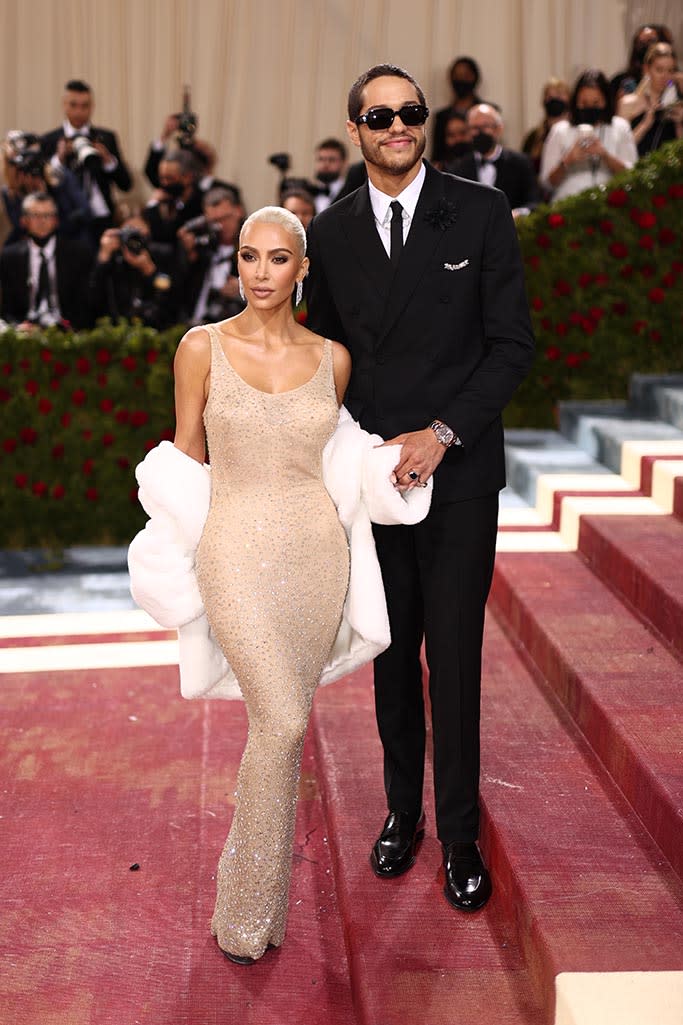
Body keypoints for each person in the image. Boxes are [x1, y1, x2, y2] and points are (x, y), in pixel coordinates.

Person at [143, 204, 431, 965]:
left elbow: (342, 460)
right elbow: (184, 461)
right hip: (233, 549)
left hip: (313, 557)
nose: (261, 272)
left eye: (277, 259)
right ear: (235, 264)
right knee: (280, 721)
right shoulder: (200, 347)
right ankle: (241, 907)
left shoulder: (332, 359)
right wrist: (167, 560)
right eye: (248, 256)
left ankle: (258, 911)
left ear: (302, 270)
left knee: (283, 724)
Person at [306, 64, 534, 913]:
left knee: (456, 658)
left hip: (459, 470)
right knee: (391, 655)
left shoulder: (478, 210)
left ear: (423, 122)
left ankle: (461, 834)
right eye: (379, 114)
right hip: (374, 479)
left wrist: (439, 434)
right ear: (356, 128)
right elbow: (322, 360)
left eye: (410, 112)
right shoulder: (326, 236)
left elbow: (511, 344)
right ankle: (403, 814)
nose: (397, 125)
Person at [40, 79, 132, 244]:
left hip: (101, 217)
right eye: (73, 105)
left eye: (85, 106)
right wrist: (58, 160)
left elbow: (126, 184)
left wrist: (108, 160)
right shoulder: (49, 140)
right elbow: (45, 188)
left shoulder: (106, 138)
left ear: (92, 107)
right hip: (65, 218)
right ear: (64, 105)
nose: (79, 111)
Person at [540, 69, 638, 202]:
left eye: (596, 103)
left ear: (606, 102)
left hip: (611, 203)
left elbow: (633, 174)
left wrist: (605, 156)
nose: (590, 107)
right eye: (584, 103)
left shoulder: (620, 127)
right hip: (568, 202)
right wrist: (567, 161)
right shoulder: (560, 130)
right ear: (576, 102)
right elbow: (547, 183)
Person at [0, 191, 92, 329]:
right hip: (25, 332)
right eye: (35, 215)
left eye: (47, 216)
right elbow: (7, 309)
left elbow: (86, 305)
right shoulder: (9, 257)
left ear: (56, 220)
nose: (41, 221)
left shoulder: (78, 253)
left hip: (68, 331)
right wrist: (18, 327)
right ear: (24, 221)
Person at [446, 103, 539, 216]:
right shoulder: (457, 169)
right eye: (475, 128)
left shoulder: (520, 163)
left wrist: (518, 213)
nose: (479, 133)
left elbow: (534, 202)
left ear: (499, 129)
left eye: (485, 127)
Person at [89, 212, 179, 327]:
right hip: (117, 329)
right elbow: (93, 300)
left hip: (155, 328)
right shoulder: (113, 260)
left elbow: (171, 296)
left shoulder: (162, 255)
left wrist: (150, 271)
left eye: (138, 235)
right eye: (129, 235)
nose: (134, 242)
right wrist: (103, 257)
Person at [177, 185, 244, 324]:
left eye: (225, 218)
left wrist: (244, 289)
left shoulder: (252, 249)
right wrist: (189, 255)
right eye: (214, 221)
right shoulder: (203, 247)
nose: (220, 226)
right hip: (194, 323)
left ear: (238, 211)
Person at [617, 42, 683, 155]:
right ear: (647, 69)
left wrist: (679, 125)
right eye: (659, 70)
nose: (665, 76)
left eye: (670, 71)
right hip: (635, 169)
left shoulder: (678, 106)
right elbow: (619, 149)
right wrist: (645, 124)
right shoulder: (628, 103)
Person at [430, 56, 485, 165]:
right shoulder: (441, 117)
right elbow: (437, 155)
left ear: (475, 77)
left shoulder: (487, 113)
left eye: (465, 75)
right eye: (456, 76)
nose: (460, 80)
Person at [144, 149, 204, 244]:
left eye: (169, 178)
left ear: (188, 177)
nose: (164, 183)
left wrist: (153, 205)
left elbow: (164, 237)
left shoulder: (202, 203)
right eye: (161, 178)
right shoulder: (167, 199)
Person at [610, 23, 674, 103]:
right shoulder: (624, 82)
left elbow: (671, 86)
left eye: (650, 41)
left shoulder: (672, 81)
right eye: (640, 42)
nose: (644, 46)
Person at [521, 77, 572, 177]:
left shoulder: (574, 132)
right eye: (549, 96)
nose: (554, 99)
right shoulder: (534, 137)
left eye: (559, 95)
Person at [312, 137, 349, 213]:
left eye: (331, 160)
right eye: (321, 159)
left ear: (344, 163)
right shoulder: (308, 192)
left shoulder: (351, 193)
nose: (325, 164)